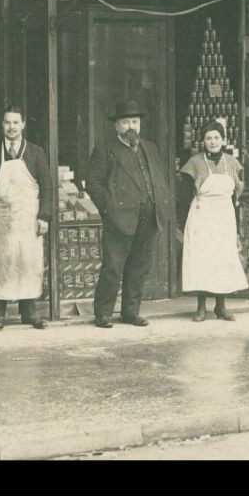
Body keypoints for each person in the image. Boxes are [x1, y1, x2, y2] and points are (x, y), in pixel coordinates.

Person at [83, 100, 174, 329]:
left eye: (135, 121)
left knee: (140, 266)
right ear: (116, 126)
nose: (131, 126)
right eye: (125, 122)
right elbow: (93, 183)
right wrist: (108, 208)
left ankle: (130, 312)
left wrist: (161, 204)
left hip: (149, 215)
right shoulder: (106, 150)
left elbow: (158, 178)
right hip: (120, 216)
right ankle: (103, 313)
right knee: (113, 266)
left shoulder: (150, 147)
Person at [0, 107, 50, 330]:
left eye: (16, 123)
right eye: (7, 122)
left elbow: (47, 186)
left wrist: (44, 216)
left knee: (28, 261)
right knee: (3, 263)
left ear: (23, 125)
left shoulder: (36, 153)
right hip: (4, 217)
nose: (11, 127)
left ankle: (29, 312)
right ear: (2, 125)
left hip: (29, 216)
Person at [179, 121, 249, 321]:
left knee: (223, 258)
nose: (213, 142)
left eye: (217, 138)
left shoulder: (233, 163)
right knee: (203, 259)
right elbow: (184, 193)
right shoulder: (195, 163)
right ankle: (201, 307)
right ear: (203, 141)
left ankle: (221, 306)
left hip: (224, 216)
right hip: (202, 215)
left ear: (223, 140)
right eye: (209, 138)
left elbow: (238, 192)